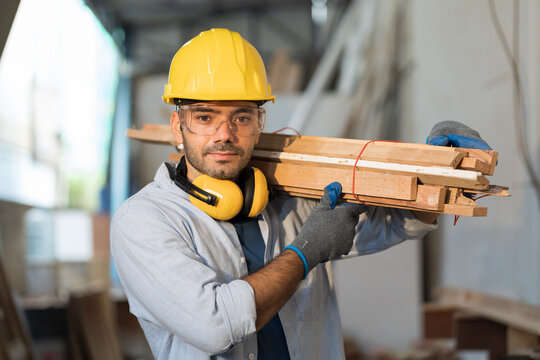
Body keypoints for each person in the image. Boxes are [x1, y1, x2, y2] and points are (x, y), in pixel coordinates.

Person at [111, 28, 492, 360]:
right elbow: (215, 324)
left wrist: (438, 177)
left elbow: (389, 225)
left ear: (259, 125)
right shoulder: (144, 221)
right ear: (178, 127)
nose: (224, 134)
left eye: (241, 117)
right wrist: (305, 251)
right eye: (205, 117)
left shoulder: (285, 199)